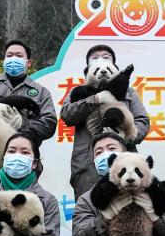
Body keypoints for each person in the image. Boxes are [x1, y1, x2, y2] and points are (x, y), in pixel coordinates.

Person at [60, 44, 150, 198]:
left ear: (114, 66)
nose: (100, 60)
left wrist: (127, 134)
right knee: (88, 207)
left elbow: (142, 121)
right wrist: (95, 100)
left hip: (125, 162)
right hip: (87, 164)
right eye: (95, 58)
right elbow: (67, 115)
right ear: (88, 67)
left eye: (106, 57)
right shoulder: (78, 92)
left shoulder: (128, 92)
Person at [0, 40, 57, 185]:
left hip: (23, 160)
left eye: (19, 55)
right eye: (10, 55)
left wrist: (24, 124)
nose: (13, 58)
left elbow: (49, 124)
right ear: (4, 60)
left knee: (21, 203)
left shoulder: (40, 92)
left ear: (28, 62)